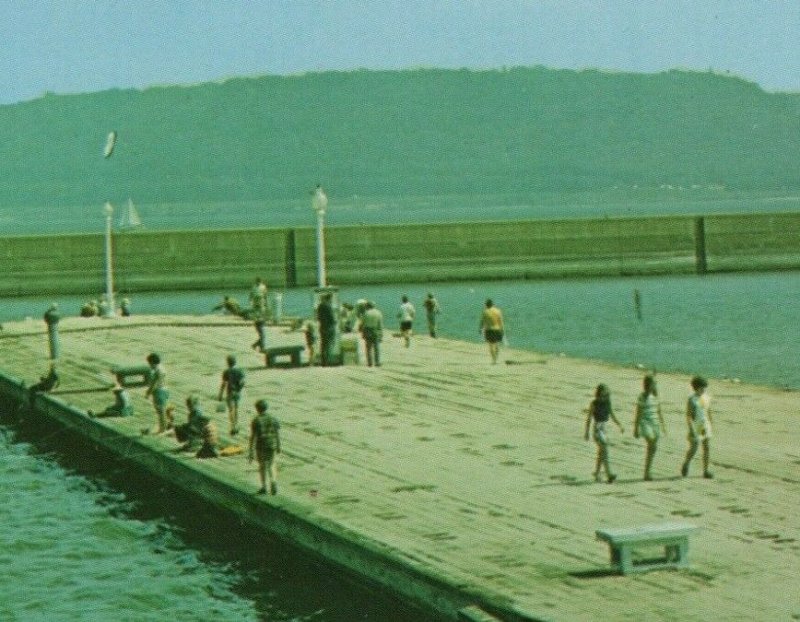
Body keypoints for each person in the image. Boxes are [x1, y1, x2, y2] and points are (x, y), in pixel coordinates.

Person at [584, 384, 624, 483]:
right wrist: (587, 432)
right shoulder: (594, 403)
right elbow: (589, 418)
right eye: (604, 392)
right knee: (604, 450)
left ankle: (597, 474)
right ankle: (609, 473)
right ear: (600, 392)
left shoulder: (607, 402)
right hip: (597, 429)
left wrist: (619, 425)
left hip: (605, 429)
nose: (605, 394)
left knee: (601, 452)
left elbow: (612, 415)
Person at [633, 374, 666, 481]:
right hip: (645, 423)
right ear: (649, 384)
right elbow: (638, 413)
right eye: (654, 383)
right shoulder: (642, 396)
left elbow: (659, 411)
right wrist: (636, 428)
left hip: (655, 422)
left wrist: (663, 425)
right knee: (651, 442)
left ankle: (647, 471)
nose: (655, 385)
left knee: (653, 447)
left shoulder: (655, 396)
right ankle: (647, 472)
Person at [681, 376, 714, 479]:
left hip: (705, 425)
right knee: (694, 448)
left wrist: (711, 423)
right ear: (696, 388)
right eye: (701, 388)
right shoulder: (692, 399)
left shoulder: (706, 397)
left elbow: (708, 411)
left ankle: (706, 470)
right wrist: (690, 428)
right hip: (696, 425)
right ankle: (686, 463)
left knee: (706, 447)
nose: (703, 390)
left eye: (704, 388)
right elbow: (688, 415)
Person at [248, 399, 281, 495]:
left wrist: (251, 451)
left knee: (262, 466)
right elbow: (277, 433)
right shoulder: (273, 418)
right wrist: (278, 445)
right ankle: (273, 481)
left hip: (261, 445)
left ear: (257, 409)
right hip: (272, 444)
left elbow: (253, 437)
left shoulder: (256, 420)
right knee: (272, 464)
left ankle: (264, 487)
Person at [218, 354, 245, 435]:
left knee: (231, 410)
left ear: (228, 363)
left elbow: (223, 384)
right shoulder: (240, 371)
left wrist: (220, 394)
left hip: (230, 392)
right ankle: (236, 424)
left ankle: (233, 426)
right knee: (236, 409)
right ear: (235, 362)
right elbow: (242, 382)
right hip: (237, 393)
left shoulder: (226, 372)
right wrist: (239, 389)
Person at [144, 352, 170, 434]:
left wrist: (148, 393)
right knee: (162, 411)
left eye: (150, 363)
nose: (149, 365)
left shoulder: (158, 371)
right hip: (164, 390)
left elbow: (154, 384)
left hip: (159, 392)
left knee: (161, 412)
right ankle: (163, 428)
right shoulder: (161, 368)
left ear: (152, 362)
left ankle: (162, 429)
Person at [479, 299, 505, 364]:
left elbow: (482, 322)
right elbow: (501, 322)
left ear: (486, 305)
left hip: (489, 330)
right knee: (497, 344)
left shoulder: (485, 312)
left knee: (491, 345)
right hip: (497, 329)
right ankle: (496, 358)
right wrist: (503, 330)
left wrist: (480, 329)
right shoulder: (498, 311)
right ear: (493, 304)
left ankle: (494, 360)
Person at [359, 301, 384, 367]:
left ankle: (370, 363)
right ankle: (377, 362)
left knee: (368, 348)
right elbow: (380, 324)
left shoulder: (365, 313)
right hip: (375, 330)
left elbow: (362, 324)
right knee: (376, 347)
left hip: (367, 330)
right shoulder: (378, 313)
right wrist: (381, 334)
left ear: (368, 306)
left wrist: (362, 332)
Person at [316, 292, 337, 366]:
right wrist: (335, 322)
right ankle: (327, 361)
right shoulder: (328, 306)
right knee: (329, 344)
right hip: (329, 327)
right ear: (330, 298)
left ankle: (323, 361)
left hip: (322, 327)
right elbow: (332, 318)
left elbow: (318, 317)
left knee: (323, 344)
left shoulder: (320, 306)